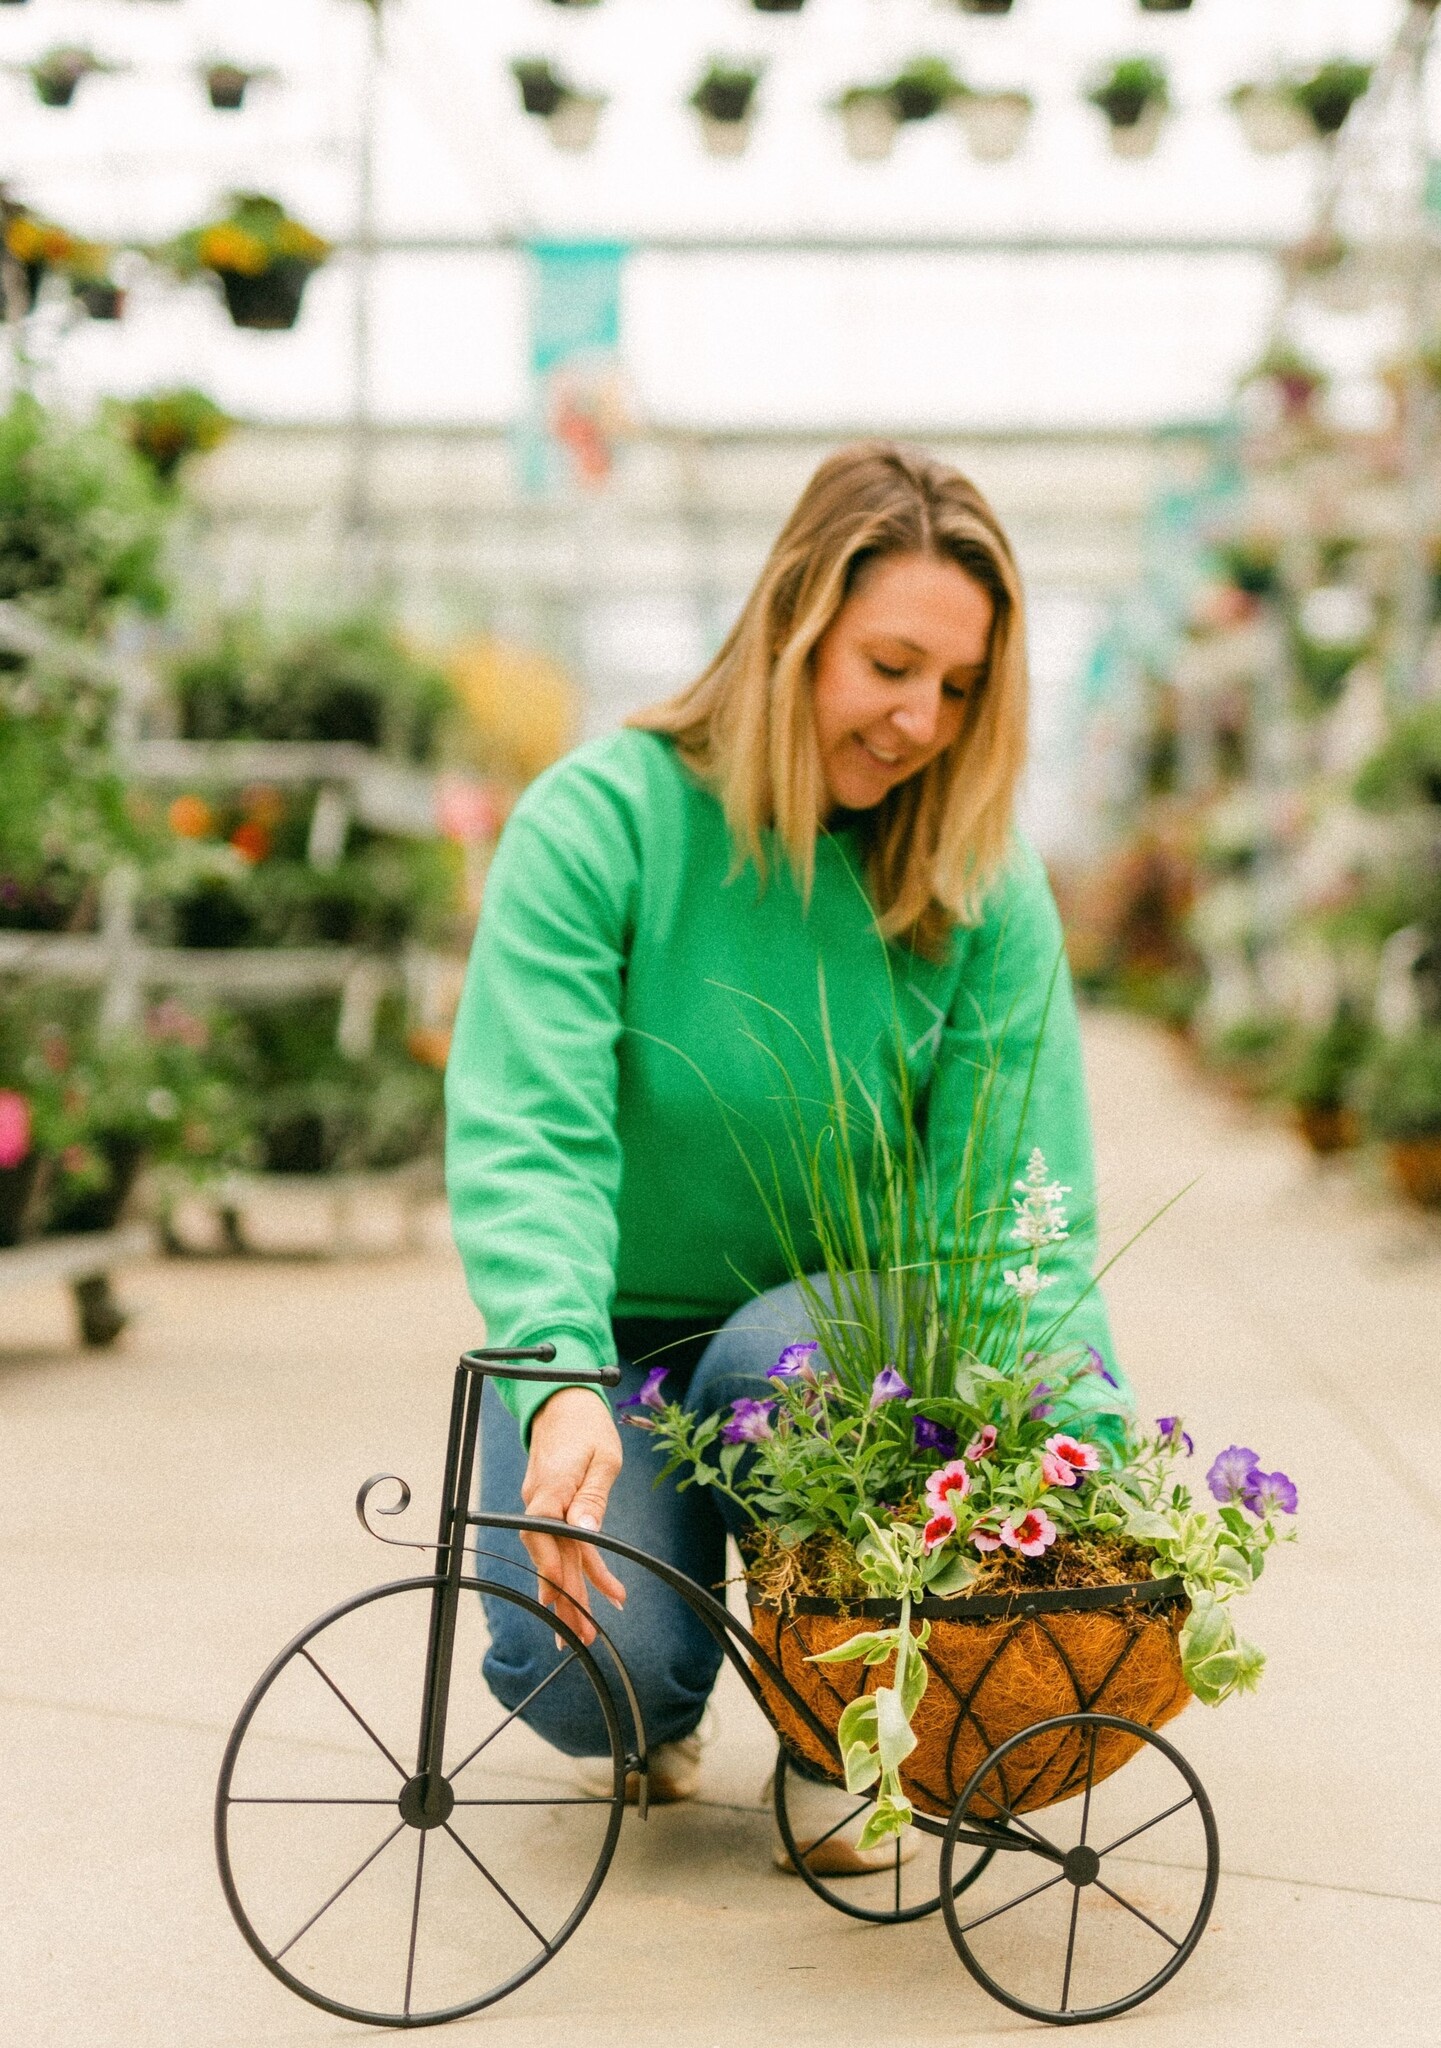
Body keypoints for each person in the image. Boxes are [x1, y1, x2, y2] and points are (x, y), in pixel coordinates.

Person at [443, 442, 1127, 1873]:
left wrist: (1091, 1472)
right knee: (582, 1671)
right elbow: (535, 1134)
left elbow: (1018, 1211)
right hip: (622, 1337)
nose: (919, 719)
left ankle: (838, 1723)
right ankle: (670, 1679)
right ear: (792, 620)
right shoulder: (604, 823)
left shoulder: (977, 887)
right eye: (889, 665)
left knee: (781, 1352)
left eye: (958, 689)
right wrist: (559, 1378)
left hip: (836, 1337)